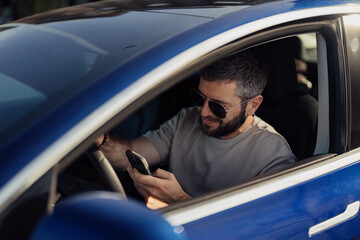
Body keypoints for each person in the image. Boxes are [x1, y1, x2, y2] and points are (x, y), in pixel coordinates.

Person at [96, 50, 296, 208]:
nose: (203, 112)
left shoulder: (273, 156)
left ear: (253, 105)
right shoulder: (186, 118)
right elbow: (129, 152)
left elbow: (252, 230)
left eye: (218, 107)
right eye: (200, 99)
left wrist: (179, 199)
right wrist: (101, 140)